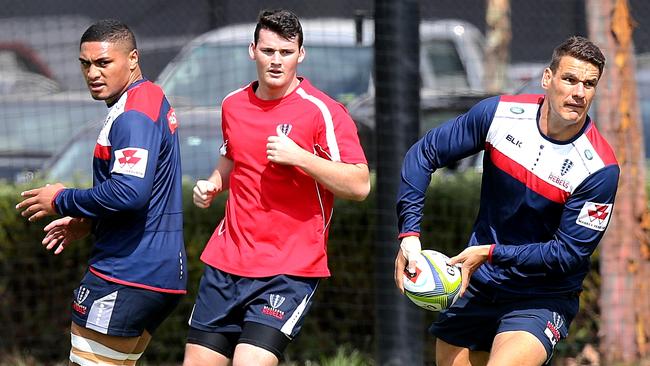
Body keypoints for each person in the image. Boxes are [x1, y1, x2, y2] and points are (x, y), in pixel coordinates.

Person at [394, 35, 619, 366]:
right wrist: (409, 237)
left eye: (589, 84)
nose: (579, 93)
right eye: (570, 79)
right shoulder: (499, 115)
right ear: (547, 78)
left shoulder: (599, 169)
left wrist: (489, 253)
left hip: (542, 295)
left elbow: (567, 254)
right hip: (479, 283)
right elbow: (423, 154)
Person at [183, 8, 370, 366]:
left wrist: (301, 157)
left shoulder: (323, 111)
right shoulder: (232, 104)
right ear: (252, 50)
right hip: (226, 263)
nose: (276, 61)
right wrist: (212, 184)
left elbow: (360, 185)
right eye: (269, 51)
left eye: (286, 52)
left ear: (301, 54)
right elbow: (233, 158)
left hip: (288, 269)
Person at [15, 19, 186, 365]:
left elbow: (130, 192)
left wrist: (61, 199)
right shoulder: (149, 97)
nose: (93, 72)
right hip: (156, 273)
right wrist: (91, 221)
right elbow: (145, 193)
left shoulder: (133, 115)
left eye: (104, 62)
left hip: (126, 273)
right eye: (85, 63)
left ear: (133, 58)